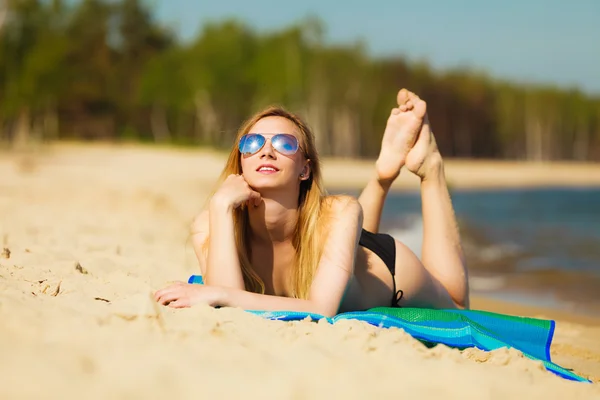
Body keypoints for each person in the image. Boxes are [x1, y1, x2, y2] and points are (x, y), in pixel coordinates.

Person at [154, 89, 469, 317]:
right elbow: (227, 311)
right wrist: (222, 207)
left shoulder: (341, 212)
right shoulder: (210, 224)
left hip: (388, 272)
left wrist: (219, 293)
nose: (266, 151)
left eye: (283, 143)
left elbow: (321, 308)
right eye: (252, 143)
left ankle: (431, 169)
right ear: (241, 162)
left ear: (305, 168)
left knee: (456, 304)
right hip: (343, 260)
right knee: (343, 246)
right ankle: (384, 172)